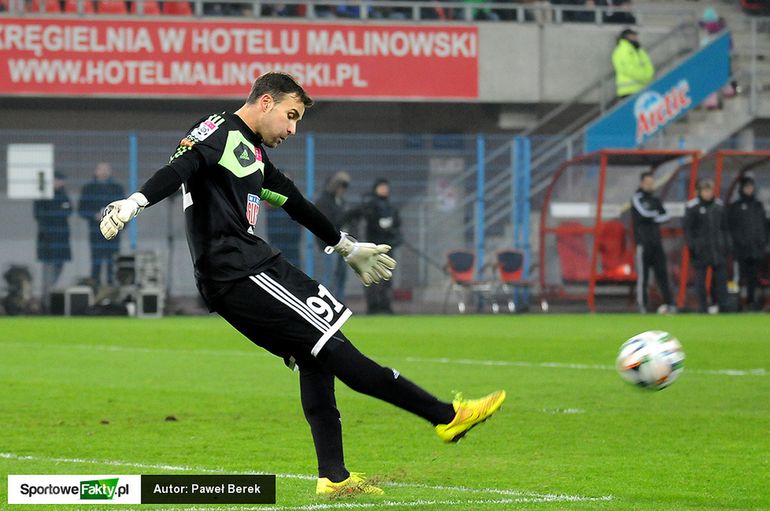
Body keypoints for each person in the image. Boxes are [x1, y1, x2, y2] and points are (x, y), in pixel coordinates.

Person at [99, 72, 505, 497]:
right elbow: (181, 167)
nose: (292, 129)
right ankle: (446, 416)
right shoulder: (219, 131)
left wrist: (346, 246)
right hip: (239, 270)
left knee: (316, 359)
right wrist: (135, 201)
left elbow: (295, 202)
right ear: (266, 102)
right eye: (290, 116)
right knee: (336, 348)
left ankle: (334, 476)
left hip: (249, 267)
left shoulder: (254, 154)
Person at [350, 178, 402, 314]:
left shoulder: (391, 208)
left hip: (387, 247)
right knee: (371, 277)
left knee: (387, 277)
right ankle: (372, 306)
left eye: (386, 187)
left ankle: (385, 305)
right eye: (381, 187)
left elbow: (397, 224)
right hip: (372, 248)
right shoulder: (370, 206)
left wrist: (394, 236)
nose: (384, 190)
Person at [631, 171, 676, 314]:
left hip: (657, 243)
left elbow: (667, 216)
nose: (650, 186)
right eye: (647, 183)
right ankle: (643, 306)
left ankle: (670, 304)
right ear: (642, 183)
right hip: (643, 244)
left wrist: (653, 217)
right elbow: (644, 214)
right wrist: (656, 215)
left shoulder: (656, 200)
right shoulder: (637, 198)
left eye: (652, 183)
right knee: (643, 277)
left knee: (663, 275)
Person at [684, 179, 731, 313]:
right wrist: (694, 246)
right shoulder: (692, 207)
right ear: (699, 191)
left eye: (709, 190)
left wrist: (726, 244)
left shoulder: (719, 206)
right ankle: (702, 307)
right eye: (705, 190)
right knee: (700, 281)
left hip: (718, 250)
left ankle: (723, 307)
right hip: (700, 251)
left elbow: (725, 228)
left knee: (721, 281)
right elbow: (688, 230)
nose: (708, 193)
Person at [78, 162, 124, 286]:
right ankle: (95, 284)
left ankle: (111, 285)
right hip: (96, 230)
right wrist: (94, 216)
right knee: (96, 259)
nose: (103, 172)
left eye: (106, 169)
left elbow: (124, 208)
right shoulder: (88, 189)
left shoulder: (117, 188)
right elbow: (82, 209)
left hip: (113, 229)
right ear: (96, 171)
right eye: (101, 169)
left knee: (112, 259)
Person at [728, 176, 767, 311]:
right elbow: (731, 228)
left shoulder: (758, 205)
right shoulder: (735, 207)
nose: (749, 189)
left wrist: (762, 243)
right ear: (742, 189)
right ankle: (736, 303)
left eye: (751, 187)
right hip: (740, 251)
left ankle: (751, 302)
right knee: (738, 277)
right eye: (747, 187)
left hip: (756, 250)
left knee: (753, 278)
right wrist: (737, 243)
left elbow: (763, 226)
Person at [33, 171, 72, 306]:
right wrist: (58, 212)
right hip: (47, 238)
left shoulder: (63, 194)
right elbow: (39, 215)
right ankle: (46, 297)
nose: (61, 183)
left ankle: (50, 292)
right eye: (59, 180)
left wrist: (56, 212)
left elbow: (69, 210)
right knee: (48, 267)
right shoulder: (43, 196)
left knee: (59, 265)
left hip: (61, 238)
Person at [315, 171, 352, 301]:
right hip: (330, 246)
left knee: (341, 277)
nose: (343, 190)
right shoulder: (323, 202)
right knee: (329, 278)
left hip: (344, 244)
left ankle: (339, 303)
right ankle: (327, 303)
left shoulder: (341, 202)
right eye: (341, 186)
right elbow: (328, 223)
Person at [612, 28, 654, 100]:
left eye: (635, 35)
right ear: (626, 37)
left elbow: (648, 65)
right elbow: (627, 68)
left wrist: (648, 76)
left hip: (642, 89)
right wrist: (644, 77)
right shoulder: (621, 50)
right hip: (628, 91)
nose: (635, 37)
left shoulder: (639, 50)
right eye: (632, 35)